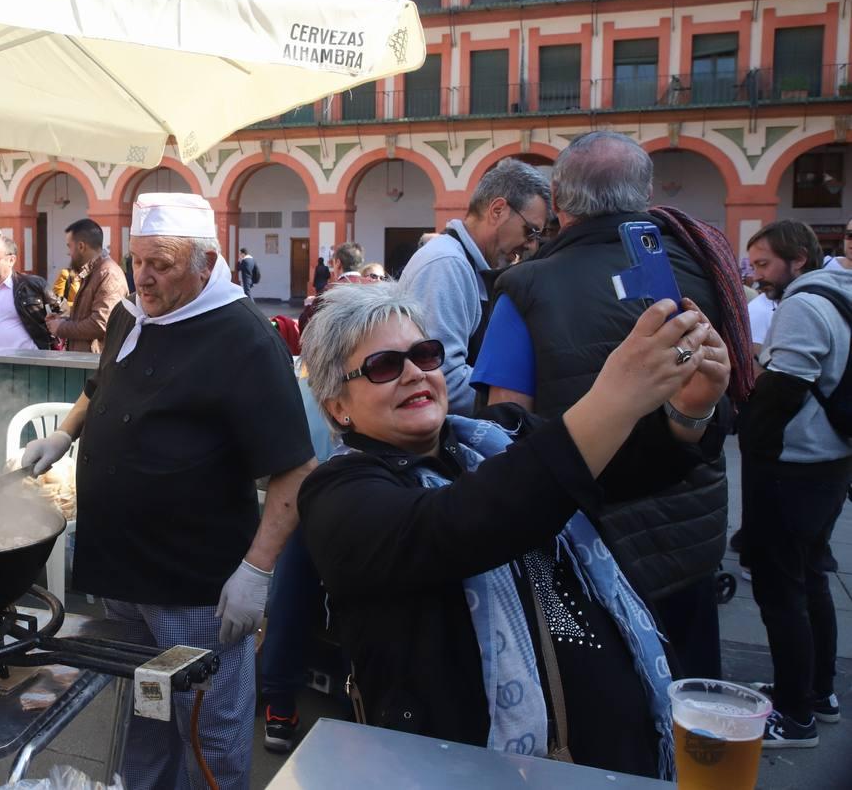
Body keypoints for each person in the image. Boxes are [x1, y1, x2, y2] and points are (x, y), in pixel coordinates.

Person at [296, 280, 729, 779]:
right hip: (465, 770)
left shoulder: (500, 434)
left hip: (616, 754)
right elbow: (466, 522)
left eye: (424, 355)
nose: (414, 373)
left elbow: (616, 463)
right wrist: (616, 395)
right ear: (337, 407)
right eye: (384, 366)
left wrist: (688, 408)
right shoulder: (336, 494)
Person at [18, 193, 317, 790]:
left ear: (206, 263)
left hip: (195, 586)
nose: (144, 277)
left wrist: (256, 573)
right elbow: (103, 383)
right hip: (121, 573)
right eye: (137, 260)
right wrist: (65, 434)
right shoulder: (133, 313)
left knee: (206, 731)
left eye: (162, 264)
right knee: (143, 715)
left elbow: (296, 469)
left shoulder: (245, 337)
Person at [472, 131, 752, 682]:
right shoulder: (703, 263)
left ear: (558, 198)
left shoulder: (527, 286)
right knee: (688, 698)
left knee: (600, 713)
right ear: (644, 193)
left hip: (587, 548)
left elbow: (503, 428)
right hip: (690, 533)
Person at [740, 220, 851, 747]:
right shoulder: (838, 292)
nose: (756, 277)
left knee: (781, 590)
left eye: (764, 265)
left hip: (795, 465)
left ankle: (794, 714)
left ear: (798, 259)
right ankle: (815, 692)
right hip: (828, 462)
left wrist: (748, 434)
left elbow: (784, 389)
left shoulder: (804, 305)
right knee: (811, 578)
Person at [399, 157, 550, 416]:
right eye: (530, 231)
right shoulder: (447, 264)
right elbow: (443, 376)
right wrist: (515, 397)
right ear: (498, 210)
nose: (531, 245)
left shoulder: (461, 262)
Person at [45, 218, 127, 353]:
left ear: (81, 246)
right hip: (85, 362)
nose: (68, 253)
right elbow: (87, 318)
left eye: (69, 246)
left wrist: (61, 328)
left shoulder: (108, 274)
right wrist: (64, 320)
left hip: (96, 365)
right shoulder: (93, 272)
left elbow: (101, 324)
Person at [297, 241, 366, 335]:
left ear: (338, 263)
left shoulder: (330, 291)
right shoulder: (375, 286)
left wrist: (308, 306)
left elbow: (306, 325)